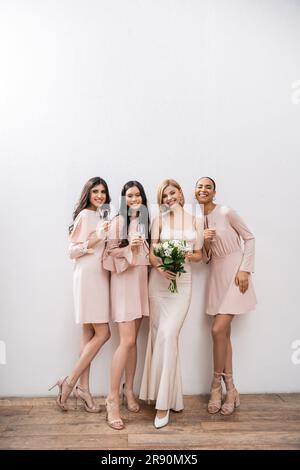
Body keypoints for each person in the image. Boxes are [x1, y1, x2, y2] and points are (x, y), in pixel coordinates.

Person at [140, 179, 202, 428]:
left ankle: (164, 403)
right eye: (164, 196)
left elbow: (199, 255)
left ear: (180, 193)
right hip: (158, 283)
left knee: (169, 334)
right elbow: (151, 252)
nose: (169, 198)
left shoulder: (195, 220)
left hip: (182, 284)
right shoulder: (159, 220)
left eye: (172, 193)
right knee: (161, 337)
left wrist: (184, 254)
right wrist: (161, 266)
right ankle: (168, 398)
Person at [195, 176, 257, 415]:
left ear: (214, 192)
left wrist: (245, 269)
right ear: (195, 192)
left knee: (217, 330)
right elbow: (206, 258)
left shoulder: (227, 212)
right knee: (224, 334)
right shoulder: (198, 221)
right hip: (216, 275)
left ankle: (215, 386)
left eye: (207, 187)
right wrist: (206, 242)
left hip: (235, 272)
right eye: (199, 187)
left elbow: (249, 238)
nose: (203, 190)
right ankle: (230, 388)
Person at [49, 177, 111, 412]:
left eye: (103, 191)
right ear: (88, 193)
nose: (99, 195)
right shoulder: (85, 215)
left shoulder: (104, 215)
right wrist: (93, 240)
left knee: (89, 331)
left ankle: (84, 389)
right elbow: (71, 251)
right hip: (87, 277)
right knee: (103, 333)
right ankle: (71, 381)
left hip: (100, 275)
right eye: (95, 191)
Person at [103, 181, 150, 430]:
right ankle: (112, 399)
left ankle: (129, 390)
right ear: (123, 198)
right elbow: (108, 255)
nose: (134, 199)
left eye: (138, 195)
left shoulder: (144, 222)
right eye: (129, 195)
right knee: (127, 341)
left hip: (140, 284)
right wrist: (128, 250)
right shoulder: (118, 222)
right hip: (123, 284)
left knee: (134, 342)